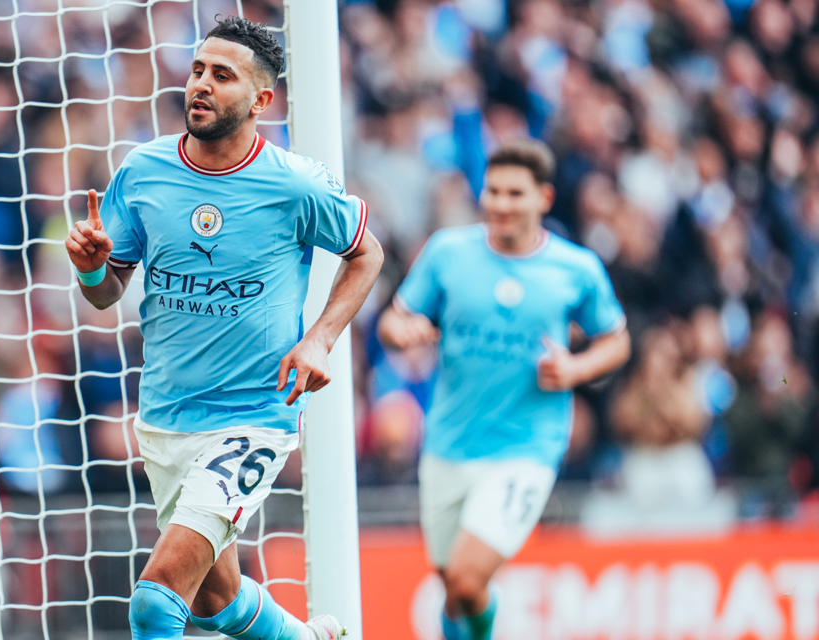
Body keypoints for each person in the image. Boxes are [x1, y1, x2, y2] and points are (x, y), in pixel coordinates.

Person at [65, 17, 382, 640]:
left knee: (156, 603)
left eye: (223, 76)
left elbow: (366, 253)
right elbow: (107, 296)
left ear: (262, 100)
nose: (201, 86)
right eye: (197, 70)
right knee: (217, 600)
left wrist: (318, 337)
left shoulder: (294, 183)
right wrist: (91, 269)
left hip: (252, 417)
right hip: (164, 418)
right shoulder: (145, 170)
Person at [377, 139, 630, 640]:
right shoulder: (449, 252)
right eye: (493, 191)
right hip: (449, 441)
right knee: (453, 588)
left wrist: (576, 370)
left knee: (470, 579)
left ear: (544, 199)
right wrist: (402, 332)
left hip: (525, 446)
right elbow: (393, 320)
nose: (500, 204)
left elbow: (616, 340)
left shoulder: (575, 269)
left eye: (515, 193)